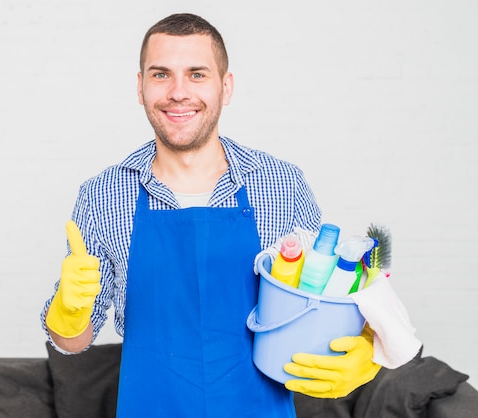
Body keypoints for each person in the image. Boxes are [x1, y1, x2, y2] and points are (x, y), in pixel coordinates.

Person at [41, 13, 380, 417]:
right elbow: (74, 340)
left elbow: (327, 299)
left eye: (197, 74)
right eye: (161, 74)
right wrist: (68, 309)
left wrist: (368, 347)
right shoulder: (103, 195)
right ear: (140, 86)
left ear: (226, 86)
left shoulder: (281, 185)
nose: (178, 92)